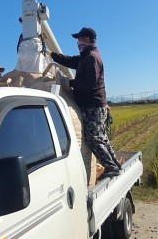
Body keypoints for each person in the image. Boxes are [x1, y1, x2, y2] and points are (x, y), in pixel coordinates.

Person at [50, 27, 121, 178]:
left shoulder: (92, 58)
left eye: (80, 39)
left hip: (93, 105)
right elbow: (69, 60)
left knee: (93, 138)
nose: (78, 42)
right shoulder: (86, 56)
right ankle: (115, 164)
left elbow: (89, 83)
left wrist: (70, 83)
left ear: (87, 39)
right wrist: (52, 55)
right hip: (96, 104)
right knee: (101, 137)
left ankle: (111, 167)